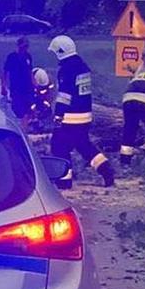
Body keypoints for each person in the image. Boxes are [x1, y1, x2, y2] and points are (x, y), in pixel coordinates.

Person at [48, 35, 114, 189]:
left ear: (60, 52)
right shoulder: (82, 66)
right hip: (85, 115)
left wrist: (58, 116)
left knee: (59, 146)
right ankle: (106, 170)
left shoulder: (66, 70)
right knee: (84, 145)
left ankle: (64, 181)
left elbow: (64, 96)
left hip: (70, 117)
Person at [2, 36, 34, 124]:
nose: (25, 48)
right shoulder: (12, 57)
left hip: (28, 87)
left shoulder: (28, 56)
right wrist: (3, 86)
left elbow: (30, 70)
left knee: (29, 108)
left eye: (26, 47)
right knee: (17, 109)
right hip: (16, 87)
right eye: (23, 47)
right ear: (19, 46)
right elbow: (5, 72)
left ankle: (27, 125)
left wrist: (34, 83)